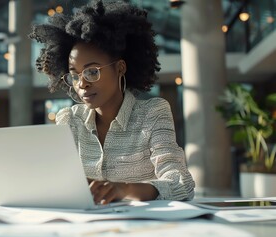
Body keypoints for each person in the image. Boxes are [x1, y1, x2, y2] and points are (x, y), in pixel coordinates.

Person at [29, 0, 195, 204]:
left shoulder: (153, 113)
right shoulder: (70, 119)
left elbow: (180, 184)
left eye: (92, 72)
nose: (82, 84)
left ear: (120, 68)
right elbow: (55, 179)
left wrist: (123, 189)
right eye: (75, 75)